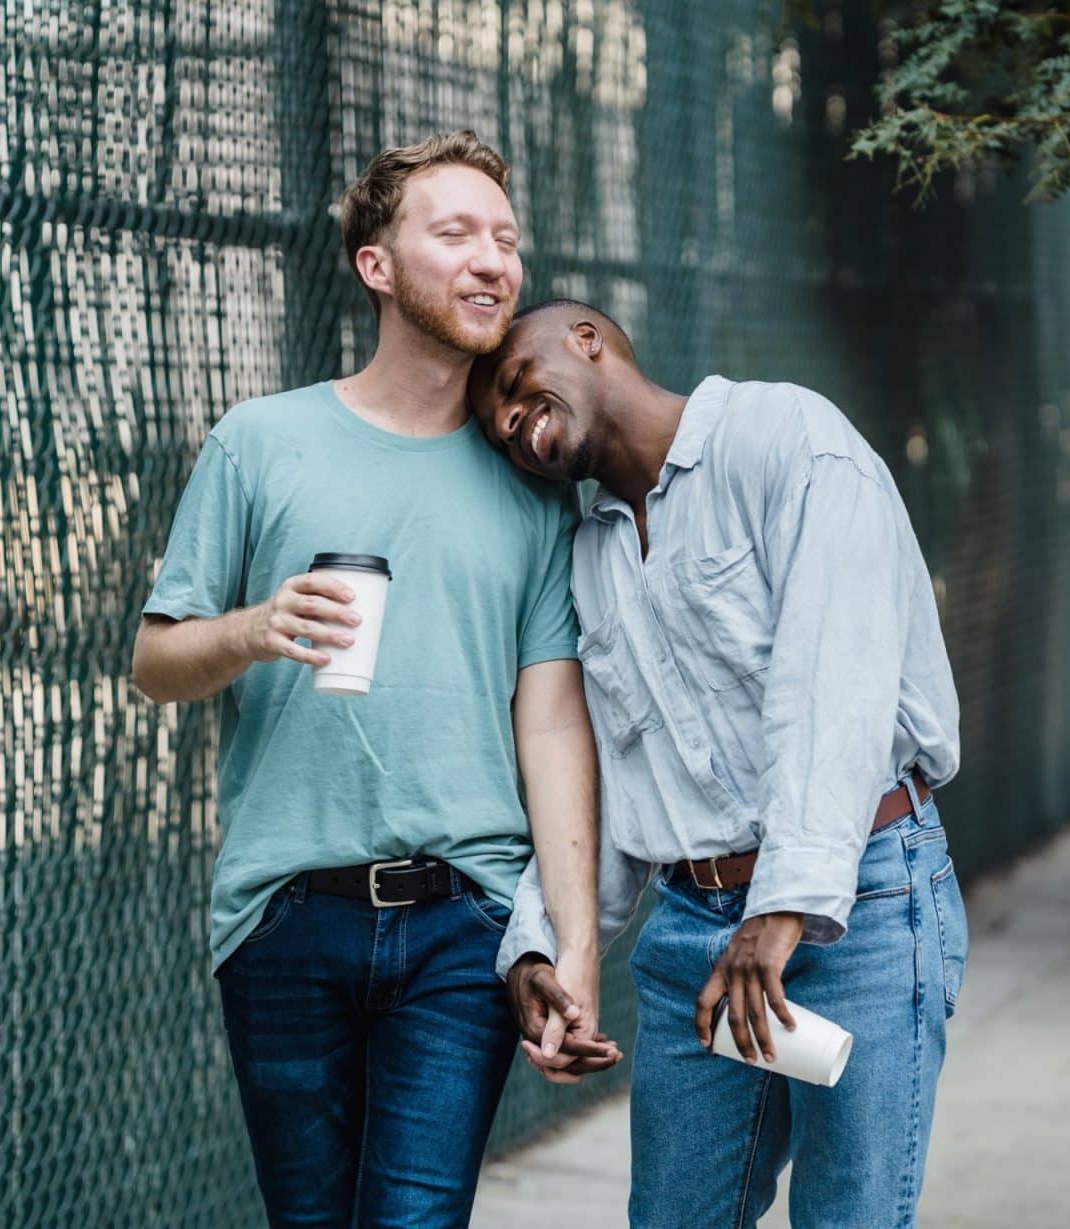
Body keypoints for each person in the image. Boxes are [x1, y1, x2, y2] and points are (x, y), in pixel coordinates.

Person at [130, 137, 617, 1228]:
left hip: (463, 923)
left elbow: (550, 728)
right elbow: (155, 662)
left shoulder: (534, 490)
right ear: (376, 265)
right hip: (284, 916)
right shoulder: (260, 443)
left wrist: (570, 943)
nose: (491, 260)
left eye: (505, 239)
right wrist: (254, 627)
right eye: (454, 233)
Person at [467, 299, 969, 1228]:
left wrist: (779, 910)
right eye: (495, 425)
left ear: (586, 338)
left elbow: (835, 691)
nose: (506, 419)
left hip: (864, 902)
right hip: (695, 927)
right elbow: (625, 785)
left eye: (511, 383)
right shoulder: (592, 556)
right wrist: (538, 947)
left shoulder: (787, 440)